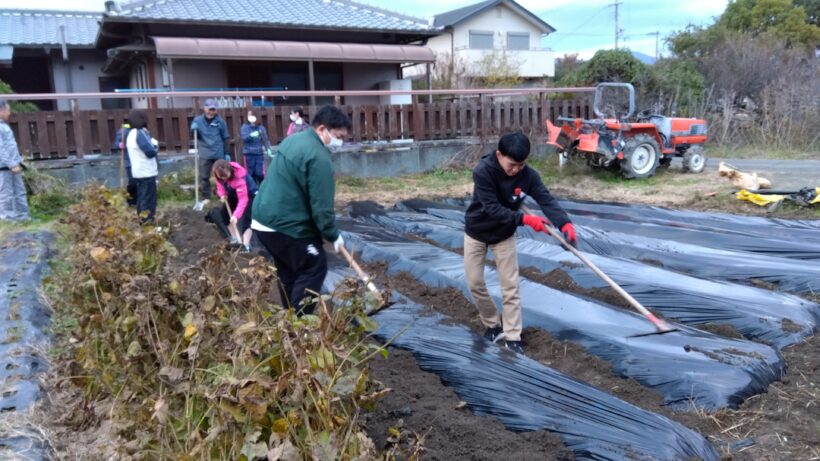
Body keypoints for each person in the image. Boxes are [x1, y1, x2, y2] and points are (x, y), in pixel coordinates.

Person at [464, 132, 578, 354]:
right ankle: (492, 325)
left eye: (521, 164)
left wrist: (565, 224)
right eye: (512, 165)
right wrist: (525, 219)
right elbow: (492, 209)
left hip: (504, 235)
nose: (516, 170)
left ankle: (513, 336)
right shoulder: (484, 171)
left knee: (510, 287)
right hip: (477, 231)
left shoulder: (528, 176)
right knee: (475, 283)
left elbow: (546, 200)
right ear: (499, 155)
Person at [252, 105, 350, 315]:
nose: (340, 143)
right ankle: (300, 326)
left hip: (262, 219)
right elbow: (322, 209)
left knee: (289, 270)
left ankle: (289, 321)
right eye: (339, 136)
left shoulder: (293, 140)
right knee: (314, 265)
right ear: (322, 129)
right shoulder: (319, 158)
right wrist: (333, 234)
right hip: (284, 224)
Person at [208, 159, 257, 252]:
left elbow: (243, 200)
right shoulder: (219, 174)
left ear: (229, 170)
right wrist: (222, 194)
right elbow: (220, 185)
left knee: (247, 220)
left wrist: (235, 215)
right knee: (225, 216)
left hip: (250, 195)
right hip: (234, 193)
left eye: (225, 176)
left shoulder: (239, 178)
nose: (224, 179)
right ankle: (235, 240)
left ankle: (246, 246)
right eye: (221, 177)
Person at [190, 99, 229, 205]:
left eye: (213, 110)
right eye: (209, 109)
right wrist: (193, 130)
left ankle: (222, 195)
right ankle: (206, 197)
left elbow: (225, 138)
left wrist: (227, 153)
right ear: (205, 108)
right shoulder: (197, 121)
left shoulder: (220, 122)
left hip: (218, 151)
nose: (211, 112)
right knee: (204, 176)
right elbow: (194, 137)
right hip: (204, 152)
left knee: (221, 175)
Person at [125, 109, 159, 224]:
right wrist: (156, 146)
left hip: (138, 172)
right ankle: (146, 222)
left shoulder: (130, 134)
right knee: (148, 200)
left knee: (141, 198)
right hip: (146, 172)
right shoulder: (139, 134)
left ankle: (142, 220)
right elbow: (150, 152)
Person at [0, 99, 30, 221]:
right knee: (6, 194)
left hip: (14, 165)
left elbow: (11, 146)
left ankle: (23, 217)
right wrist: (12, 164)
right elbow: (0, 149)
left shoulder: (3, 126)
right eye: (8, 110)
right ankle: (8, 219)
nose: (9, 113)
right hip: (4, 167)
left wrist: (19, 161)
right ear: (1, 111)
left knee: (20, 191)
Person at [240, 110, 271, 185]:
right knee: (251, 174)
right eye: (249, 115)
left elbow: (265, 139)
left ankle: (262, 188)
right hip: (248, 154)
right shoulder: (245, 127)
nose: (250, 117)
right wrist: (251, 135)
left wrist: (269, 149)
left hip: (258, 154)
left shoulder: (261, 127)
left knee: (259, 173)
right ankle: (254, 192)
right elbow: (244, 138)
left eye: (252, 115)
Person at [113, 123, 137, 206]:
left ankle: (138, 200)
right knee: (133, 181)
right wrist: (120, 145)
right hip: (129, 161)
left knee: (138, 181)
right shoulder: (123, 131)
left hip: (138, 160)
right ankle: (131, 201)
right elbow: (116, 144)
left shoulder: (138, 130)